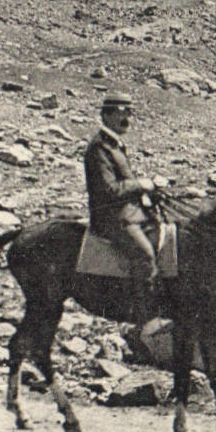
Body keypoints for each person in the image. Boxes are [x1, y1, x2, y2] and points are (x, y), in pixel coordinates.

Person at [84, 91, 159, 324]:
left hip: (127, 213)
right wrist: (142, 184)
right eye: (120, 113)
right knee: (145, 256)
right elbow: (109, 191)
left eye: (130, 113)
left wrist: (146, 195)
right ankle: (141, 318)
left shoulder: (115, 145)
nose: (126, 118)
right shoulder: (99, 148)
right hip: (111, 218)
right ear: (105, 116)